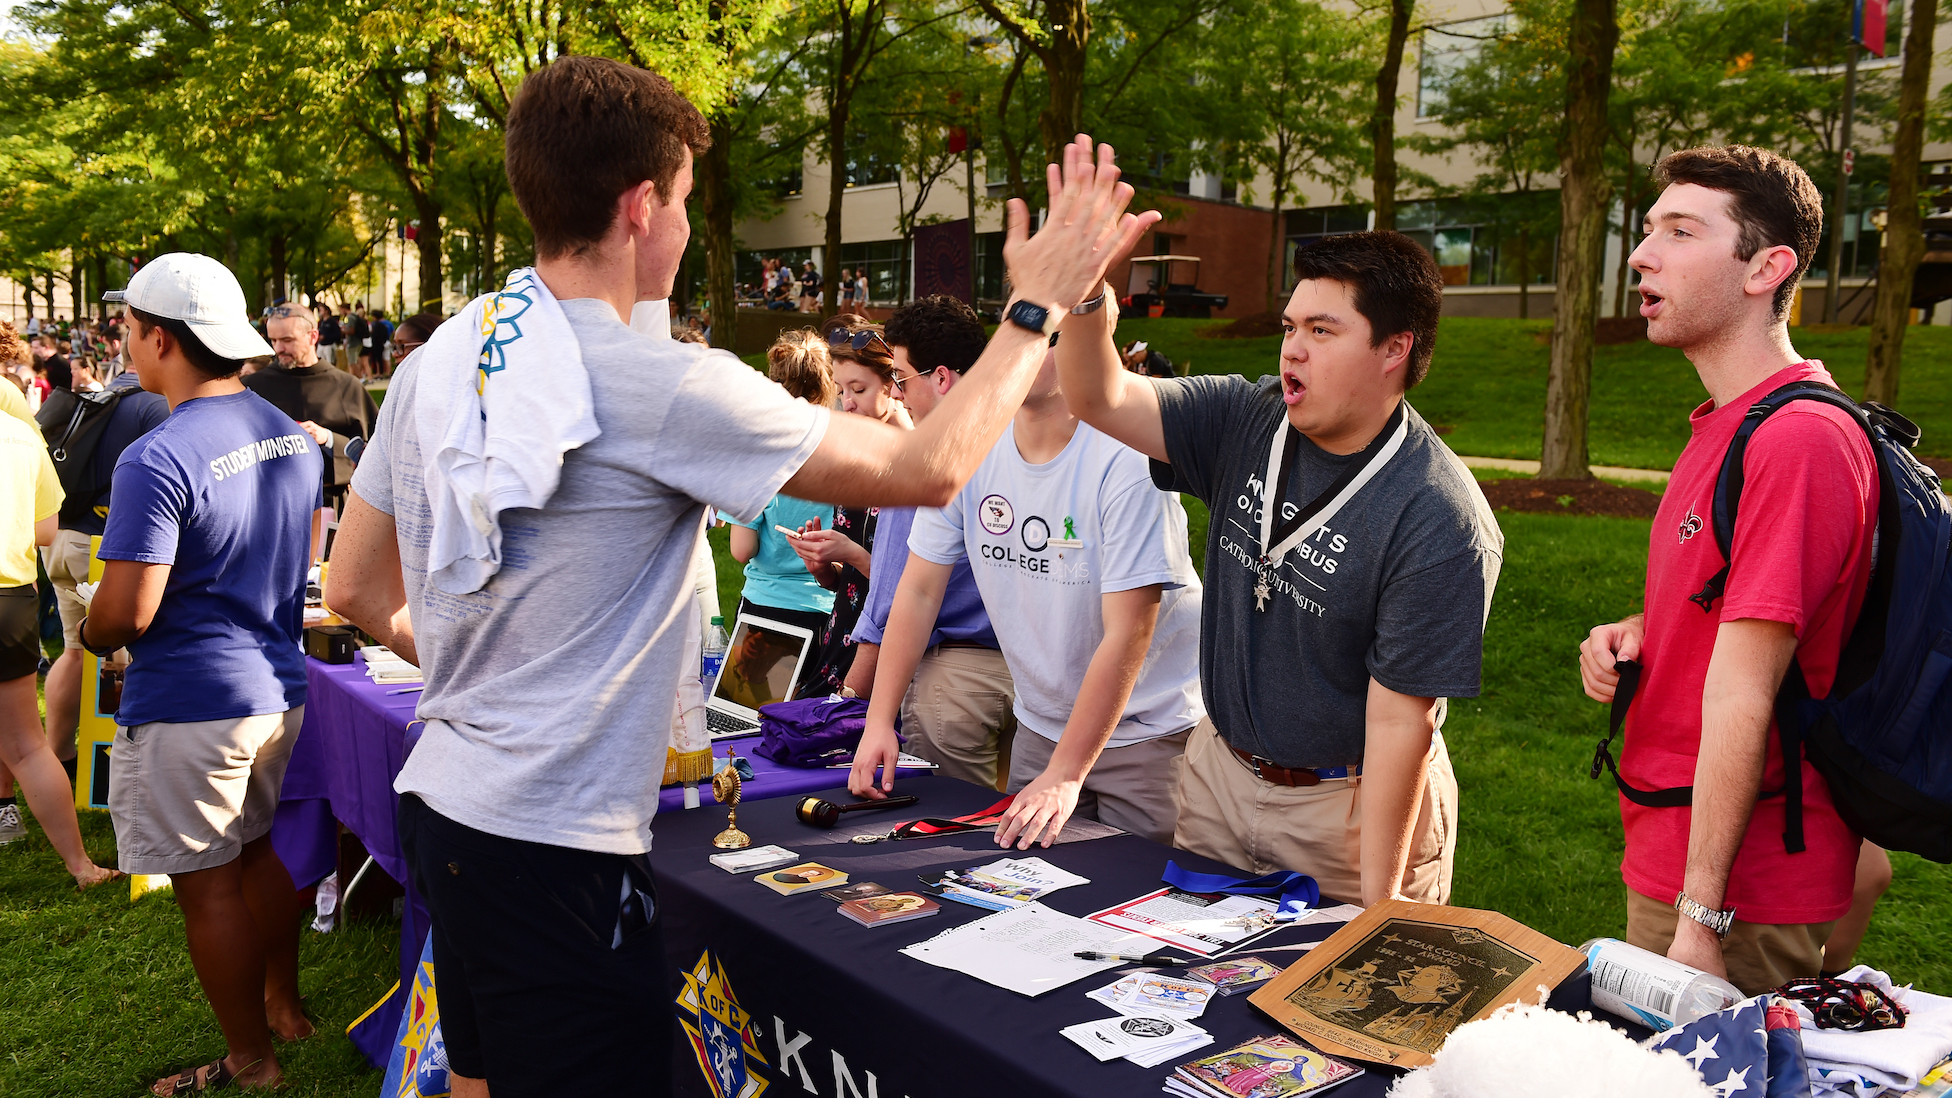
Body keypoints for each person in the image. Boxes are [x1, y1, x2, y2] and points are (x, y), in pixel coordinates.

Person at [326, 52, 1154, 1094]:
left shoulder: (445, 353)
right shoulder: (663, 381)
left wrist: (485, 669)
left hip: (447, 805)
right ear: (640, 208)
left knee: (483, 1074)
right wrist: (1031, 307)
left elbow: (355, 589)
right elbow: (927, 466)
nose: (682, 223)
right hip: (557, 846)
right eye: (678, 200)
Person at [1055, 232, 1502, 907]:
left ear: (1394, 348)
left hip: (1349, 810)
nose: (1293, 347)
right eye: (1292, 326)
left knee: (1333, 1002)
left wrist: (1380, 902)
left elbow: (1397, 725)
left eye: (1323, 330)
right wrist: (1089, 295)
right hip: (1218, 776)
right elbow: (1098, 398)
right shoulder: (1248, 417)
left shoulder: (1439, 516)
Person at [1577, 146, 1874, 995]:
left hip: (1735, 896)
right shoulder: (1724, 425)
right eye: (1647, 230)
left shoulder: (1797, 439)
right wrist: (1639, 633)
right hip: (1675, 852)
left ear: (1767, 267)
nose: (1641, 253)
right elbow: (1745, 616)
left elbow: (1747, 689)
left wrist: (1701, 920)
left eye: (1680, 231)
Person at [79, 253, 323, 1093]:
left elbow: (126, 616)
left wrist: (86, 621)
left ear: (158, 338)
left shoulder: (158, 455)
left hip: (192, 701)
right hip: (276, 689)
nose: (122, 343)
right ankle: (284, 1007)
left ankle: (251, 1061)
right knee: (256, 852)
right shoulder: (289, 432)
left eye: (127, 328)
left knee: (207, 884)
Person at [851, 329, 1205, 848]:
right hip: (1042, 726)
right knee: (1023, 897)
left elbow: (1130, 630)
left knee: (1129, 904)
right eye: (1018, 325)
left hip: (1147, 734)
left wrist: (1065, 774)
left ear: (1093, 343)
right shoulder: (967, 447)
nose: (1022, 344)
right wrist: (878, 720)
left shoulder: (1128, 458)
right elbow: (918, 591)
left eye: (1051, 333)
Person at [846, 295, 1015, 789]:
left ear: (941, 378)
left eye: (901, 378)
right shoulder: (1026, 440)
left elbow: (897, 599)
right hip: (1038, 677)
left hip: (955, 684)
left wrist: (851, 707)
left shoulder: (924, 461)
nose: (898, 395)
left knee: (949, 841)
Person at [0, 319, 120, 884]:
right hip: (11, 597)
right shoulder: (21, 434)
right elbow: (46, 529)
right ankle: (81, 865)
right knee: (27, 743)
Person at [36, 317, 168, 783]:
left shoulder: (97, 398)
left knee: (73, 652)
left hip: (63, 537)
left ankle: (56, 759)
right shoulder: (155, 406)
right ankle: (123, 773)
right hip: (105, 543)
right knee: (125, 661)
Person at [793, 318, 909, 696]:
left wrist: (852, 553)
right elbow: (853, 585)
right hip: (841, 639)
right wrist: (824, 567)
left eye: (858, 388)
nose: (847, 402)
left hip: (886, 657)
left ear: (893, 385)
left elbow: (914, 589)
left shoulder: (915, 465)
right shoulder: (859, 456)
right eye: (841, 390)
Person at [718, 330, 843, 663]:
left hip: (763, 606)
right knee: (808, 710)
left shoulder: (755, 458)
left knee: (751, 706)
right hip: (823, 607)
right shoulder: (843, 455)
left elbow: (741, 550)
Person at [245, 303, 380, 513]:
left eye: (287, 340)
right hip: (268, 505)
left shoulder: (346, 386)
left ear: (312, 336)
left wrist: (328, 438)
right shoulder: (253, 387)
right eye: (273, 340)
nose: (278, 348)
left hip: (330, 503)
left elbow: (372, 453)